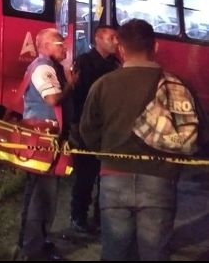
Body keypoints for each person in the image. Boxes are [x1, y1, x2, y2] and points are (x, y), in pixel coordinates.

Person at [81, 19, 180, 261]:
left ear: (121, 49)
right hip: (160, 178)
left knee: (115, 252)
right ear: (155, 46)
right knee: (155, 253)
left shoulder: (103, 85)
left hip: (114, 177)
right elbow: (195, 134)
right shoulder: (175, 86)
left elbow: (87, 131)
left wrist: (106, 153)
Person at [17, 28, 76, 261]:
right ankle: (34, 249)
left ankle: (34, 241)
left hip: (42, 140)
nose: (65, 48)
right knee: (43, 196)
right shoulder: (44, 67)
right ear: (46, 46)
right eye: (60, 44)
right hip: (44, 141)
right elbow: (52, 99)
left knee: (39, 193)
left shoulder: (44, 66)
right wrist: (71, 84)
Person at [69, 25, 119, 233]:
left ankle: (101, 218)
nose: (116, 42)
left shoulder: (116, 64)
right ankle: (78, 216)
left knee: (106, 177)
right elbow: (79, 95)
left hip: (109, 128)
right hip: (88, 127)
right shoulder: (85, 62)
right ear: (98, 39)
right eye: (111, 38)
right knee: (86, 175)